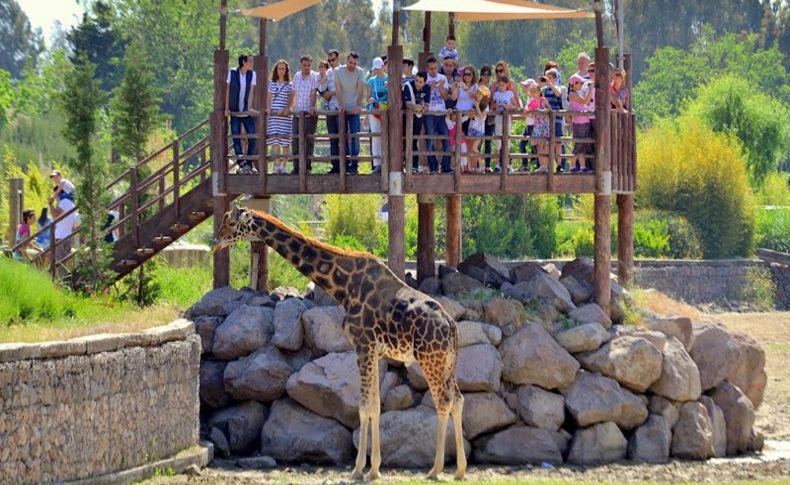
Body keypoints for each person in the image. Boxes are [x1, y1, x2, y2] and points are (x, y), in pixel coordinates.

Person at [224, 54, 258, 174]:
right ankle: (241, 162)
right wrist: (226, 108)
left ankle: (249, 162)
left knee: (252, 136)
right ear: (244, 62)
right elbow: (227, 90)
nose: (252, 63)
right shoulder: (232, 73)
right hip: (234, 111)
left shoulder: (252, 74)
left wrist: (249, 108)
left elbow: (251, 92)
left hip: (245, 111)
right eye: (250, 61)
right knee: (236, 137)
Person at [334, 52, 366, 174]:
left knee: (355, 136)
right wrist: (341, 105)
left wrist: (358, 105)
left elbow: (361, 89)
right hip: (342, 108)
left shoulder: (360, 72)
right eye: (350, 62)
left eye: (354, 63)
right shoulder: (338, 71)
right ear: (346, 60)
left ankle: (354, 164)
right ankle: (345, 164)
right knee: (342, 137)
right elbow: (338, 88)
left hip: (354, 108)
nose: (352, 65)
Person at [424, 56, 453, 174]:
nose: (434, 71)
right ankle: (433, 167)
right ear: (427, 69)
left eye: (435, 68)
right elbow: (422, 95)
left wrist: (440, 86)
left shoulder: (442, 78)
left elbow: (446, 96)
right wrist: (429, 88)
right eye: (431, 69)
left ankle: (446, 166)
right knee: (429, 140)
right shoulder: (424, 79)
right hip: (429, 113)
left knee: (446, 139)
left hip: (441, 112)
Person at [291, 55, 319, 174]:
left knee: (309, 141)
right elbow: (293, 92)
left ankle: (307, 167)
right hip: (298, 113)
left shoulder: (314, 76)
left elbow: (313, 92)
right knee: (296, 140)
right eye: (304, 65)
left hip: (309, 114)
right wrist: (289, 107)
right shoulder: (297, 75)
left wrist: (312, 106)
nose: (306, 67)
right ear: (301, 65)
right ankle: (297, 167)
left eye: (308, 65)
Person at [266, 59, 294, 174]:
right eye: (279, 68)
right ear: (276, 70)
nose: (281, 71)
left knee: (285, 142)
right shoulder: (272, 84)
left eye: (283, 69)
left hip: (285, 117)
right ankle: (276, 165)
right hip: (274, 116)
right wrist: (268, 109)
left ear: (286, 70)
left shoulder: (290, 85)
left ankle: (284, 166)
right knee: (275, 142)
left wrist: (286, 109)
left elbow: (292, 100)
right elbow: (269, 97)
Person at [402, 71, 431, 173]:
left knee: (414, 141)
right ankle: (407, 166)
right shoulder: (407, 86)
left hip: (418, 118)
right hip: (405, 118)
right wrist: (417, 107)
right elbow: (408, 104)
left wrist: (423, 109)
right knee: (405, 141)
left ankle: (414, 166)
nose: (418, 83)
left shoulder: (427, 88)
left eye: (420, 82)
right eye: (417, 80)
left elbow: (427, 104)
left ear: (424, 82)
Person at [542, 68, 567, 169]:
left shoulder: (559, 88)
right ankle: (548, 165)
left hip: (557, 119)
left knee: (558, 142)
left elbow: (558, 94)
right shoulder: (544, 90)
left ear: (555, 78)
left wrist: (550, 85)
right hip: (547, 120)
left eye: (550, 78)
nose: (547, 80)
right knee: (547, 143)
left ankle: (559, 164)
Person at [366, 57, 388, 174]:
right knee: (375, 137)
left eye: (378, 68)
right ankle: (377, 164)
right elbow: (368, 95)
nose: (377, 71)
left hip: (386, 111)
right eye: (375, 69)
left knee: (385, 137)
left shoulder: (389, 78)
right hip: (374, 110)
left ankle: (386, 162)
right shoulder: (371, 80)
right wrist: (369, 100)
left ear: (383, 67)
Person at [568, 73, 594, 173]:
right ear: (574, 84)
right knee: (578, 143)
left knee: (582, 144)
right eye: (580, 83)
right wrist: (590, 89)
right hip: (578, 122)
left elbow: (587, 102)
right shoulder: (572, 94)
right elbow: (584, 101)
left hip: (584, 120)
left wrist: (588, 91)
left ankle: (582, 167)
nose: (581, 84)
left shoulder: (579, 93)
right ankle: (573, 165)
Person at [492, 75, 517, 172]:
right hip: (498, 118)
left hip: (507, 118)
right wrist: (496, 105)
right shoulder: (496, 94)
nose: (501, 87)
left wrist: (509, 106)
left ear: (507, 85)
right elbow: (492, 106)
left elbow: (515, 106)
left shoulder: (509, 93)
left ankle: (508, 164)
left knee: (508, 141)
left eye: (503, 85)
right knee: (498, 141)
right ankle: (498, 164)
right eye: (500, 85)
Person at [324, 50, 342, 173]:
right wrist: (326, 94)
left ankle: (345, 166)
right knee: (333, 139)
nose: (331, 62)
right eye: (329, 61)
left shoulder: (343, 71)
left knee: (343, 139)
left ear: (338, 58)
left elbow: (345, 88)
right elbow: (323, 90)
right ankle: (335, 166)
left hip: (341, 108)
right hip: (330, 109)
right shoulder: (327, 73)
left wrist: (331, 93)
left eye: (333, 60)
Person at [528, 85, 552, 173]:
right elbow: (529, 113)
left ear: (539, 91)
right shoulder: (532, 101)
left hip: (545, 125)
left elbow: (550, 110)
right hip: (537, 125)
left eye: (534, 91)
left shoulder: (543, 100)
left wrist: (545, 111)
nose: (533, 93)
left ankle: (546, 165)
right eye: (531, 91)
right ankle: (542, 165)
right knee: (538, 145)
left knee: (545, 145)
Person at [465, 86, 490, 174]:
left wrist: (477, 107)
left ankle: (481, 165)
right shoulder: (473, 103)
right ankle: (471, 167)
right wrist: (474, 109)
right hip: (471, 128)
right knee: (470, 149)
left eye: (480, 93)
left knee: (475, 148)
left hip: (479, 130)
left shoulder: (486, 106)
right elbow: (470, 116)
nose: (478, 94)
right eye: (478, 92)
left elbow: (482, 117)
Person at [477, 65, 496, 172]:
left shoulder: (492, 86)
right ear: (481, 75)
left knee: (488, 141)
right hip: (479, 117)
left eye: (488, 74)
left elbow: (492, 100)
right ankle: (478, 165)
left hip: (489, 118)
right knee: (478, 142)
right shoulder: (477, 86)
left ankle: (488, 165)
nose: (486, 76)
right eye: (484, 74)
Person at [519, 78, 538, 170]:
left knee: (535, 146)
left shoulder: (534, 98)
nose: (524, 88)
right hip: (528, 124)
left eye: (526, 86)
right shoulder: (529, 98)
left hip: (533, 125)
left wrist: (526, 112)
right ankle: (525, 165)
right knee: (523, 144)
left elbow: (532, 112)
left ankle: (539, 165)